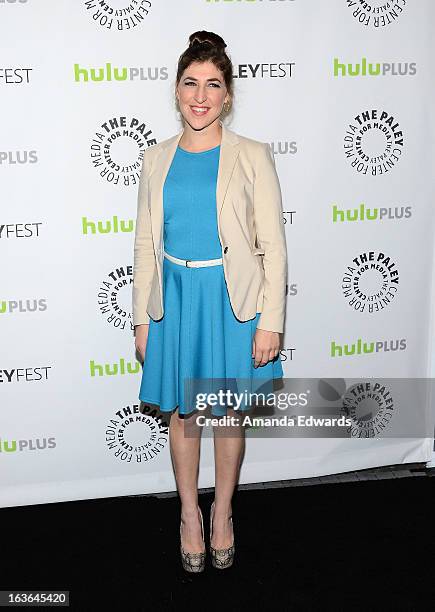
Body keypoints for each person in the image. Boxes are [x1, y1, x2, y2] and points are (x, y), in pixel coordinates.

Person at [132, 30, 288, 572]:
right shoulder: (155, 160)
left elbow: (273, 245)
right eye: (191, 83)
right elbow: (145, 245)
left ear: (228, 95)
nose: (201, 95)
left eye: (213, 85)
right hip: (174, 300)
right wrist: (143, 318)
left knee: (227, 417)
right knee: (183, 416)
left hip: (229, 303)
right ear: (176, 91)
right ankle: (188, 517)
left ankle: (222, 513)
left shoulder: (253, 156)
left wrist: (271, 323)